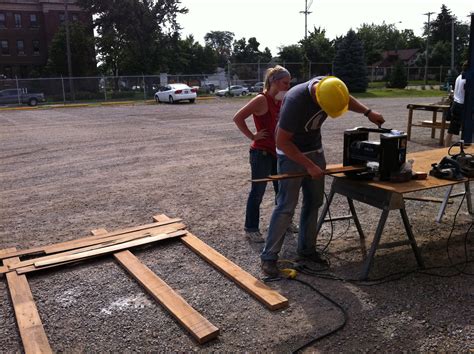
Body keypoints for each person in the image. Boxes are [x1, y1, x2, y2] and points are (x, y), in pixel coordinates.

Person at [260, 76, 385, 277]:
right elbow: (282, 141)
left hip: (315, 150)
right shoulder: (295, 101)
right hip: (291, 154)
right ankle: (269, 258)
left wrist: (368, 112)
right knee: (286, 206)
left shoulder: (331, 87)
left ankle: (307, 250)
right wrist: (309, 166)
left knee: (315, 202)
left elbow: (346, 99)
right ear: (317, 98)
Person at [233, 66, 292, 243]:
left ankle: (285, 223)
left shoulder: (280, 100)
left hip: (278, 152)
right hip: (261, 153)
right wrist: (252, 135)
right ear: (274, 82)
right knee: (257, 191)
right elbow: (238, 117)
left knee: (281, 190)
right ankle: (251, 228)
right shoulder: (261, 99)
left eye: (289, 84)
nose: (288, 87)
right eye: (285, 83)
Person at [445, 61, 468, 147]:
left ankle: (445, 149)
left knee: (451, 131)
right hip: (462, 105)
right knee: (466, 130)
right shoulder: (466, 79)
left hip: (455, 104)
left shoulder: (459, 77)